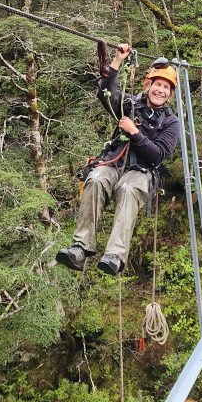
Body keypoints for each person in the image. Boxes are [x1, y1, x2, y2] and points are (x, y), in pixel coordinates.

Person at [56, 45, 179, 275]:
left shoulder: (171, 123)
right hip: (114, 162)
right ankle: (80, 248)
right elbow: (105, 93)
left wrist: (135, 132)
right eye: (157, 84)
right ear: (149, 85)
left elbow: (158, 154)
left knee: (128, 188)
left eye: (165, 87)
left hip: (141, 170)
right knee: (96, 179)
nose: (160, 90)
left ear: (170, 94)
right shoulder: (130, 104)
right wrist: (116, 62)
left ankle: (115, 255)